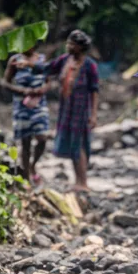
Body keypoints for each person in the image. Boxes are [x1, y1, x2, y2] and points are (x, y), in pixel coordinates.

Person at [48, 30, 99, 192]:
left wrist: (93, 114)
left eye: (71, 44)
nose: (68, 46)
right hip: (66, 109)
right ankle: (77, 180)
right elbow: (48, 69)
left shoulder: (90, 65)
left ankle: (83, 182)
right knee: (71, 144)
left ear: (79, 47)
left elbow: (94, 91)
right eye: (68, 43)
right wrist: (29, 65)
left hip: (81, 110)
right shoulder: (64, 60)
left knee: (80, 145)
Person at [0, 45, 49, 185]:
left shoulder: (41, 60)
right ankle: (26, 177)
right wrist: (22, 91)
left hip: (39, 104)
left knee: (42, 138)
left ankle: (33, 166)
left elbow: (48, 81)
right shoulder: (15, 60)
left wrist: (40, 91)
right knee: (25, 142)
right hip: (21, 106)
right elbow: (5, 82)